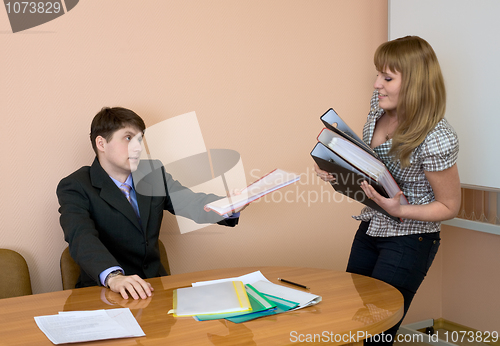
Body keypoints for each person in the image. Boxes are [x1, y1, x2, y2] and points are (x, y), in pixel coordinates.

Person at [315, 36, 461, 344]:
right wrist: (339, 171)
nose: (376, 84)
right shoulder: (378, 108)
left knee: (377, 333)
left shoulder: (436, 136)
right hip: (372, 228)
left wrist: (401, 210)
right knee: (354, 318)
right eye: (378, 74)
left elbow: (449, 206)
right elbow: (373, 171)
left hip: (410, 238)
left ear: (416, 83)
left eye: (387, 77)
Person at [57, 107, 241, 300]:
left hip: (155, 289)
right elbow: (81, 237)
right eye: (128, 138)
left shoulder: (153, 174)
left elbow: (190, 201)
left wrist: (229, 205)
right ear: (101, 143)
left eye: (140, 139)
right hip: (104, 293)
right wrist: (114, 277)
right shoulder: (75, 185)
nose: (138, 147)